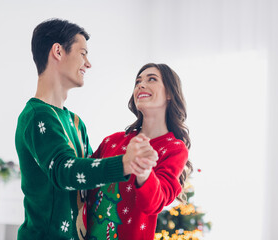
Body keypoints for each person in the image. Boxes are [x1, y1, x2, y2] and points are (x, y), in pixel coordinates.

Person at [15, 19, 158, 240]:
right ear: (58, 51)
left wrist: (149, 176)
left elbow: (89, 182)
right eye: (83, 53)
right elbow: (66, 171)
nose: (88, 64)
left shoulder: (76, 123)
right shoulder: (37, 116)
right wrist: (124, 163)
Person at [87, 63, 192, 240]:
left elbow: (155, 203)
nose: (140, 85)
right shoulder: (112, 140)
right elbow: (83, 179)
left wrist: (144, 173)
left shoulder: (174, 149)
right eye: (138, 81)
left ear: (169, 93)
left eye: (151, 79)